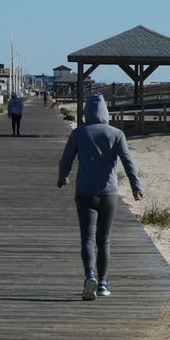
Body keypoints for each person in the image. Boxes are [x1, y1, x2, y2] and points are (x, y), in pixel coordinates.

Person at [57, 94, 142, 301]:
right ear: (106, 112)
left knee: (87, 238)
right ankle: (103, 284)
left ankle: (89, 276)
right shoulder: (117, 133)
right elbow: (127, 162)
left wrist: (63, 178)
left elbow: (65, 160)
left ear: (87, 112)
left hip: (85, 193)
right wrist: (135, 187)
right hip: (109, 194)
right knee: (104, 240)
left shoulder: (78, 133)